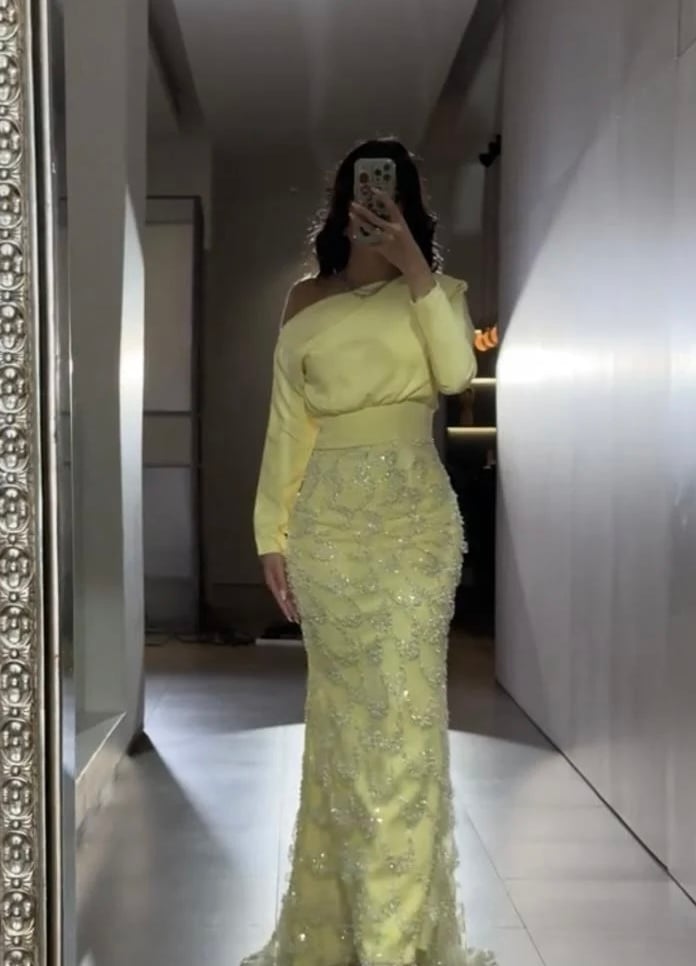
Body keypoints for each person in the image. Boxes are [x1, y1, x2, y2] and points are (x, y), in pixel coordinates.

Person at [245, 138, 497, 966]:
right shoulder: (303, 300)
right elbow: (288, 425)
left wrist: (414, 267)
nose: (375, 204)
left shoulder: (439, 295)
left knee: (406, 729)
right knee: (344, 731)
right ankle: (341, 929)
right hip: (328, 533)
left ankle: (394, 945)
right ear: (343, 202)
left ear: (411, 203)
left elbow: (457, 374)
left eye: (390, 193)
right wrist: (271, 534)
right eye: (363, 191)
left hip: (415, 528)